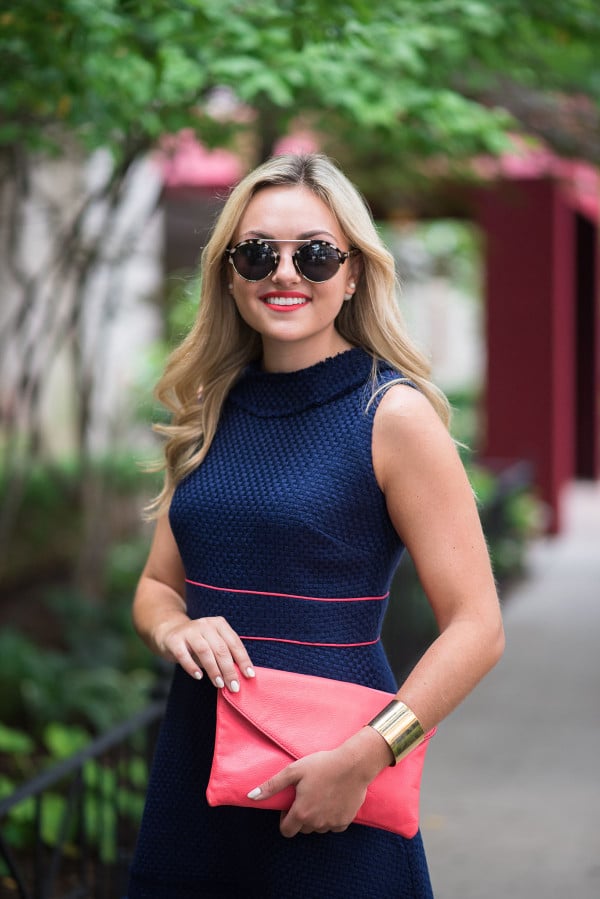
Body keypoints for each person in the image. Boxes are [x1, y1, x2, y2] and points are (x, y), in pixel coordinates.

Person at [127, 153, 504, 899]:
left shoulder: (390, 415)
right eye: (259, 252)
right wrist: (176, 630)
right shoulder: (212, 409)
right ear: (231, 274)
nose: (285, 272)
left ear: (355, 272)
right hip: (195, 765)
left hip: (332, 773)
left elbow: (479, 626)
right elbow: (156, 586)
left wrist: (367, 757)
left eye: (317, 253)